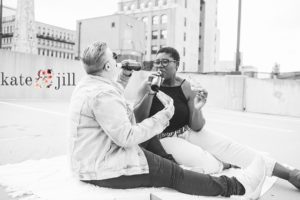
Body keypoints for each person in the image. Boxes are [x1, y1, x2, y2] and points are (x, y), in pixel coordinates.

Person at [68, 41, 267, 199]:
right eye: (114, 57)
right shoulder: (104, 94)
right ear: (109, 64)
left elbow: (111, 107)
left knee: (163, 156)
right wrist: (162, 118)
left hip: (92, 160)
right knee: (174, 175)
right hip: (105, 169)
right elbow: (127, 136)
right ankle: (239, 188)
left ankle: (179, 168)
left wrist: (123, 79)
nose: (118, 60)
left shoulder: (89, 86)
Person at [134, 46, 300, 189]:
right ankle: (225, 163)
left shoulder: (185, 86)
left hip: (187, 131)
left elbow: (197, 126)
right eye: (157, 62)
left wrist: (198, 109)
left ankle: (290, 174)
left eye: (165, 61)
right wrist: (151, 92)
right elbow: (138, 120)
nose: (160, 65)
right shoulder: (147, 84)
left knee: (230, 146)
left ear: (176, 65)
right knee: (206, 163)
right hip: (164, 138)